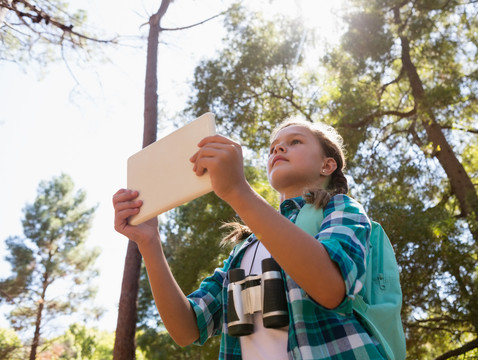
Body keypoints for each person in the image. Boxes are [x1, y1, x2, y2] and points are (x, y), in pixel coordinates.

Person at [112, 119, 387, 359]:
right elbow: (187, 328)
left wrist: (236, 191)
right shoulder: (246, 248)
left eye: (295, 141)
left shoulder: (341, 209)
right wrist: (149, 243)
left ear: (327, 165)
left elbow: (330, 288)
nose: (278, 148)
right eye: (273, 147)